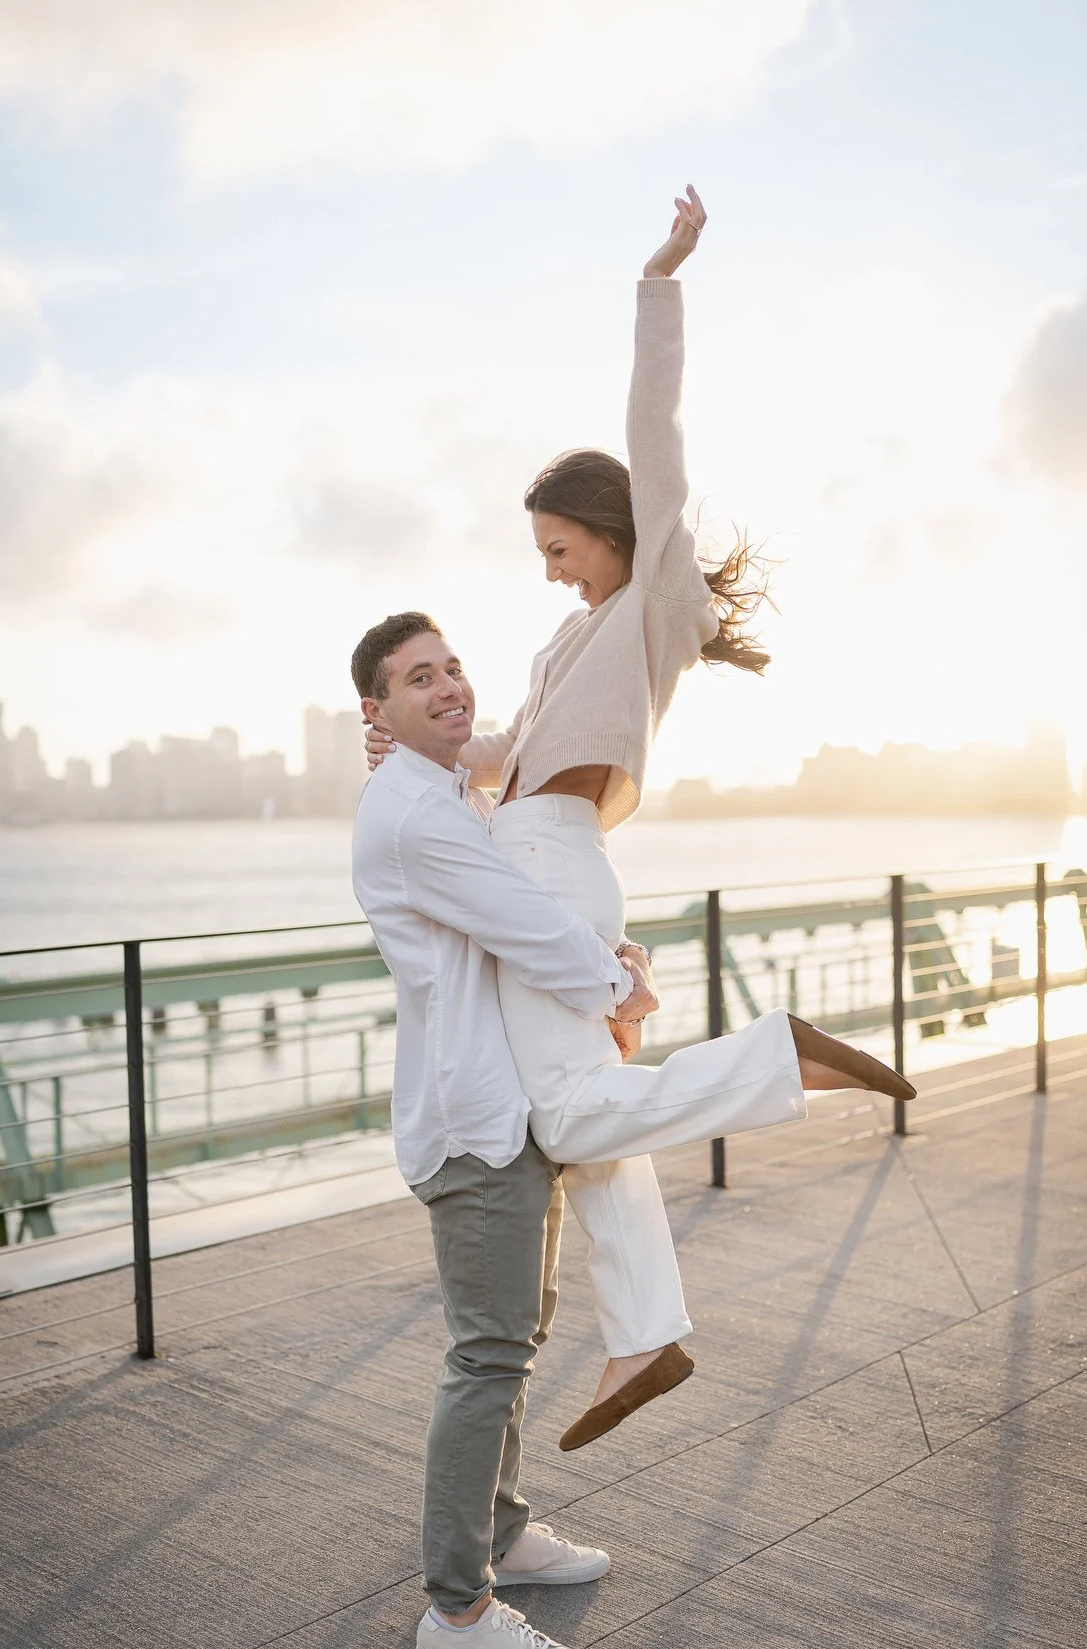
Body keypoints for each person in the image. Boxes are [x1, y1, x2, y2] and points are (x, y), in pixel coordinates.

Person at [366, 185, 916, 1453]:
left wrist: (658, 281)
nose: (551, 569)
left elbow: (652, 433)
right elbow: (498, 752)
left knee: (563, 1116)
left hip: (554, 867)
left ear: (611, 530)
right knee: (586, 1119)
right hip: (538, 858)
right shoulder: (573, 640)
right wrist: (411, 737)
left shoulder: (656, 597)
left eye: (560, 546)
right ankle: (646, 1335)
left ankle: (779, 1058)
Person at [351, 612, 911, 1649]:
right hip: (470, 1123)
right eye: (419, 680)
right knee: (487, 1356)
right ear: (376, 709)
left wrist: (604, 961)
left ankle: (502, 1535)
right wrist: (619, 983)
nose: (449, 686)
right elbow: (520, 918)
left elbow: (504, 805)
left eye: (453, 666)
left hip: (504, 1105)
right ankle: (457, 1609)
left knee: (519, 1333)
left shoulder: (438, 790)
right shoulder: (415, 816)